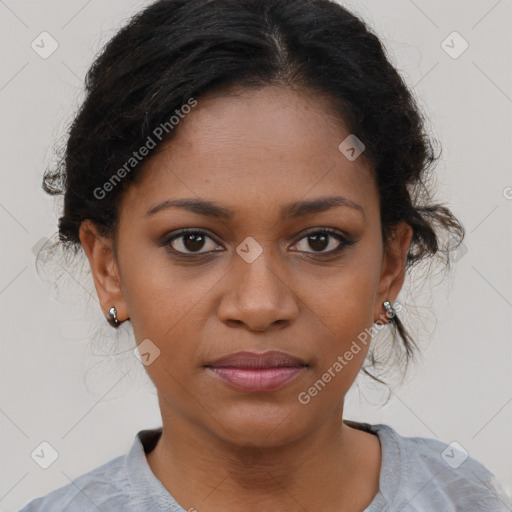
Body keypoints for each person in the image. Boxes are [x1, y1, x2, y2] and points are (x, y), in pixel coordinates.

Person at [20, 0, 511, 510]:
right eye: (193, 241)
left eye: (319, 240)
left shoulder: (466, 497)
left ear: (389, 267)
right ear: (109, 269)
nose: (259, 305)